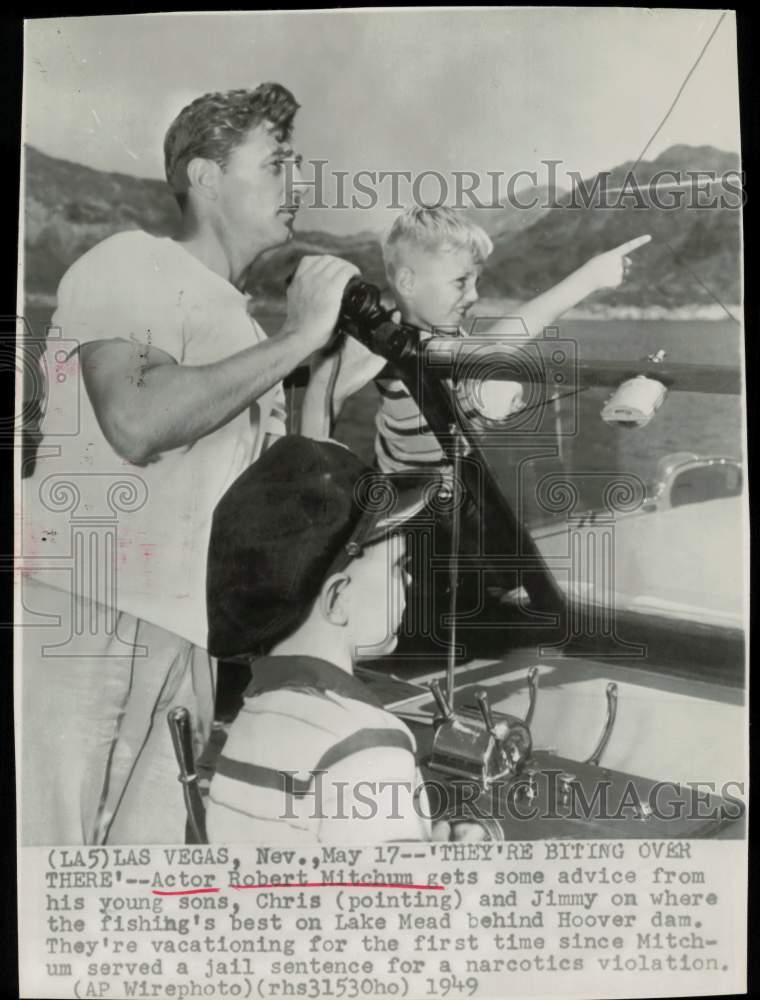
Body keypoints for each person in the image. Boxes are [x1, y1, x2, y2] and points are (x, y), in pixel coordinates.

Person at [19, 84, 361, 845]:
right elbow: (137, 423)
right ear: (205, 177)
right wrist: (299, 337)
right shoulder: (132, 261)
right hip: (89, 608)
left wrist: (324, 370)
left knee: (142, 883)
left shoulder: (237, 323)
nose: (298, 184)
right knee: (53, 864)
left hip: (185, 632)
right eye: (276, 164)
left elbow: (273, 487)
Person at [203, 434, 438, 843]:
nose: (409, 579)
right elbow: (401, 903)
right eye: (398, 566)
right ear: (336, 597)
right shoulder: (367, 747)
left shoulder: (251, 721)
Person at [370, 206, 650, 473]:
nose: (474, 296)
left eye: (475, 283)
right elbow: (493, 345)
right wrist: (589, 279)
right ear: (408, 283)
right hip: (420, 509)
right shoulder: (405, 346)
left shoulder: (409, 330)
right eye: (460, 282)